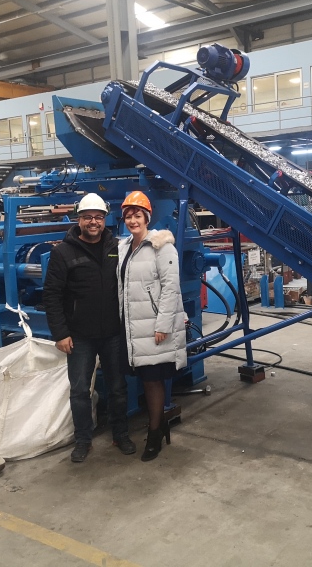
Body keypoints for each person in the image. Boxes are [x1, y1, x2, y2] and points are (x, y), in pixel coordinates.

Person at [43, 193, 135, 463]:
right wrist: (60, 333)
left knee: (118, 388)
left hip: (113, 333)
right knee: (80, 391)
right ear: (79, 220)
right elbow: (52, 295)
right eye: (87, 217)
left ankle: (120, 434)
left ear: (105, 219)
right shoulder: (62, 252)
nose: (93, 222)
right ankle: (83, 439)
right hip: (79, 336)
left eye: (98, 217)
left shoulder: (117, 247)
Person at [117, 191, 187, 462]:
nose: (133, 221)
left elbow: (171, 287)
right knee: (145, 379)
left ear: (147, 217)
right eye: (128, 216)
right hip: (132, 326)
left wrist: (163, 325)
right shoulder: (123, 247)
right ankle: (159, 426)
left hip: (154, 325)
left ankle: (155, 434)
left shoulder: (162, 246)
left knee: (153, 380)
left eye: (138, 215)